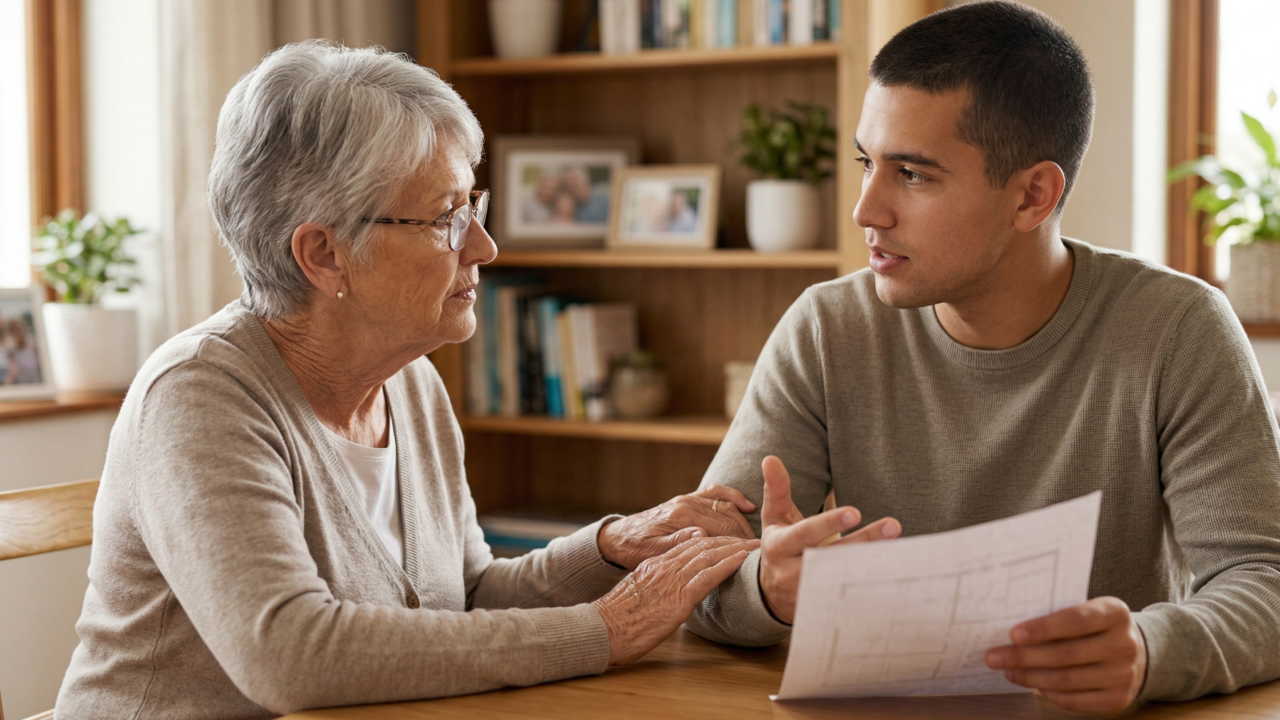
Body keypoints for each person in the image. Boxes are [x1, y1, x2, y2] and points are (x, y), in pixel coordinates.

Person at [56, 42, 758, 719]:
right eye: (447, 218)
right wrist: (605, 630)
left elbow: (468, 597)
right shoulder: (197, 397)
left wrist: (611, 548)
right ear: (324, 254)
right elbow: (290, 655)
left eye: (472, 208)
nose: (483, 246)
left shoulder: (411, 384)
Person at [685, 2, 1280, 715]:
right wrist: (767, 591)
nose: (865, 210)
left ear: (1033, 195)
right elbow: (690, 575)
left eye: (911, 174)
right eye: (866, 163)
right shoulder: (825, 327)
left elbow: (1264, 580)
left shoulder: (1178, 329)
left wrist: (1153, 650)